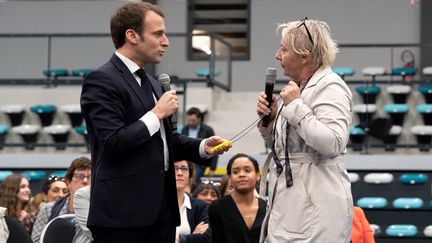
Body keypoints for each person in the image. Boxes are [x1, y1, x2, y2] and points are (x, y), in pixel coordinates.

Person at [79, 2, 230, 242]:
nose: (166, 41)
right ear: (132, 35)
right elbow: (112, 142)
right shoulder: (101, 80)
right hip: (123, 216)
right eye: (158, 33)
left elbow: (166, 141)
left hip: (161, 214)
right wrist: (156, 114)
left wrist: (202, 147)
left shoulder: (150, 82)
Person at [256, 17, 353, 243]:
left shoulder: (331, 86)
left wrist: (296, 107)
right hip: (290, 202)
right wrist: (269, 121)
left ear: (304, 56)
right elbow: (283, 149)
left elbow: (333, 143)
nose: (277, 55)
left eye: (284, 49)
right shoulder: (296, 91)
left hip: (317, 204)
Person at [208, 153, 266, 243]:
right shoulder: (217, 208)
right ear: (230, 177)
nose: (241, 175)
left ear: (257, 175)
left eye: (247, 170)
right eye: (235, 172)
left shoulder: (267, 208)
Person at [31, 157, 91, 242]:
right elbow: (37, 240)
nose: (85, 181)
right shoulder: (49, 209)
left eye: (89, 177)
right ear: (69, 182)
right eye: (80, 176)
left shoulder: (100, 211)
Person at [174, 160, 211, 243]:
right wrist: (193, 236)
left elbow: (207, 237)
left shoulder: (201, 206)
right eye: (174, 168)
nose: (179, 173)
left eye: (184, 168)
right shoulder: (155, 205)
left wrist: (180, 239)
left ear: (189, 174)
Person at [182, 107, 218, 184]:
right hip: (187, 161)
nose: (191, 123)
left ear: (199, 119)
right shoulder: (184, 129)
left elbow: (214, 149)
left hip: (200, 162)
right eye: (189, 120)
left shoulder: (208, 130)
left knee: (195, 180)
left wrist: (212, 168)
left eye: (193, 120)